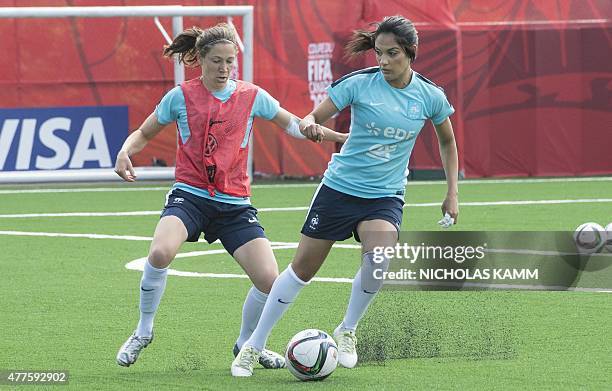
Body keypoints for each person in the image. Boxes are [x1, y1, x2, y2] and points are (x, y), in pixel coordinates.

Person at [232, 15, 459, 376]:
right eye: (379, 53)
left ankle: (348, 329)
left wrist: (452, 193)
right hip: (339, 190)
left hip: (384, 195)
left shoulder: (430, 96)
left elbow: (447, 140)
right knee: (302, 269)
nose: (383, 61)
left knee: (380, 256)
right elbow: (314, 117)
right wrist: (309, 125)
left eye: (392, 54)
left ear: (411, 53)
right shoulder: (359, 84)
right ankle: (253, 345)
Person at [114, 23, 347, 369]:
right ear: (200, 61)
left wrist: (340, 139)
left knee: (269, 280)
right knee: (161, 251)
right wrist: (124, 152)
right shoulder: (180, 96)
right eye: (217, 62)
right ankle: (143, 331)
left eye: (229, 62)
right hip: (190, 196)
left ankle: (246, 344)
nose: (224, 69)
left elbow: (295, 125)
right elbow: (145, 132)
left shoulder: (252, 95)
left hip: (234, 204)